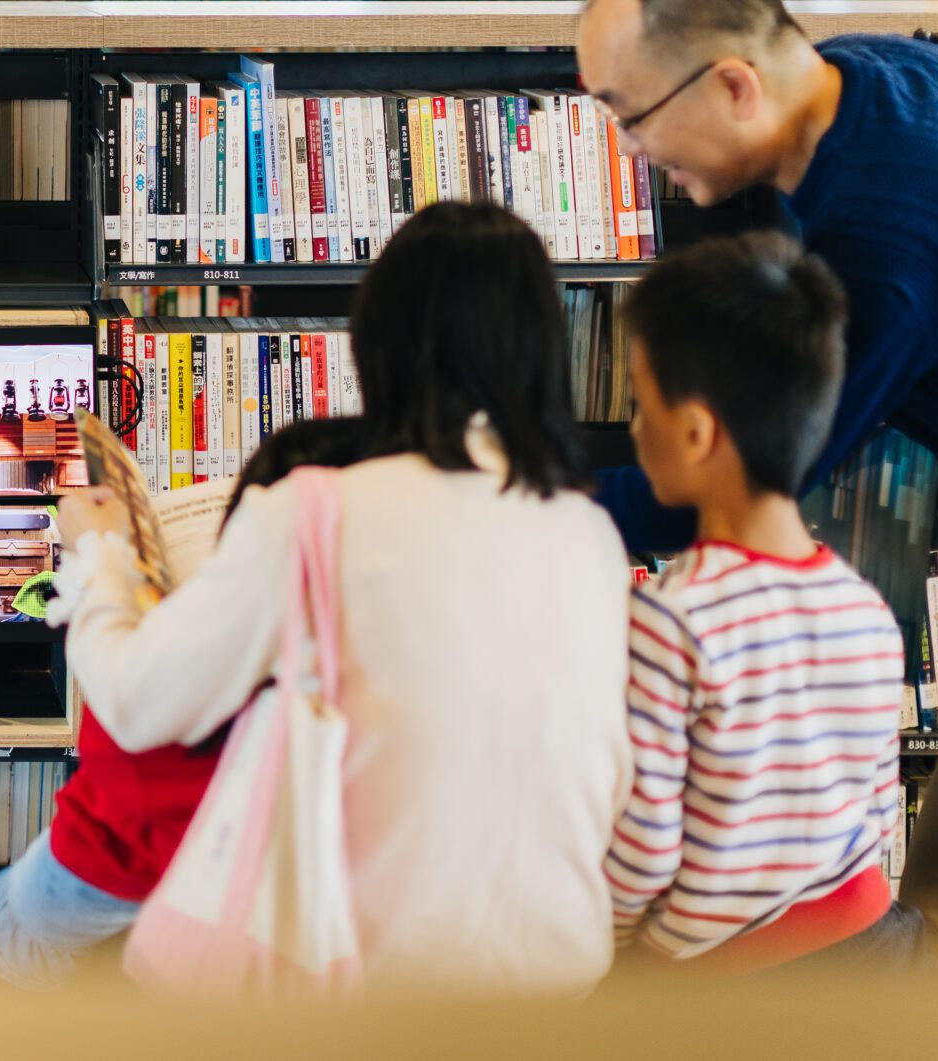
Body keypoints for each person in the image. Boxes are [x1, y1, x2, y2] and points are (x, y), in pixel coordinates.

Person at [576, 0, 938, 965]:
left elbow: (735, 479)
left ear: (734, 85)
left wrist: (521, 508)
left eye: (630, 114)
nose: (629, 149)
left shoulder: (890, 232)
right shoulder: (855, 80)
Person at [55, 202, 633, 994]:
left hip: (367, 987)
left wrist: (101, 555)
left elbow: (136, 699)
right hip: (562, 986)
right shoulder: (590, 534)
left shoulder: (312, 511)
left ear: (377, 343)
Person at [605, 232, 919, 971]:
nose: (633, 428)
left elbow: (644, 850)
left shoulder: (672, 617)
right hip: (874, 949)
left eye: (639, 405)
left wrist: (609, 955)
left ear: (693, 432)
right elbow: (880, 812)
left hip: (732, 980)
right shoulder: (865, 607)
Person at [0, 417, 364, 990]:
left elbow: (118, 746)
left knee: (6, 920)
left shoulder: (177, 696)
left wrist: (101, 565)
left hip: (129, 875)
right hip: (279, 897)